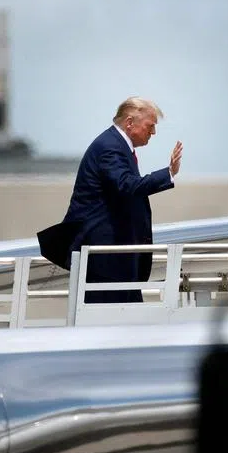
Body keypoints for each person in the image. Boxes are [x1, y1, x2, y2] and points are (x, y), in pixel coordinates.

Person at [50, 96, 183, 304]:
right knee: (112, 326)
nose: (153, 132)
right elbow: (127, 186)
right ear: (130, 123)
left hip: (116, 257)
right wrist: (168, 173)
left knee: (129, 325)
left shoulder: (118, 145)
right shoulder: (110, 146)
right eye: (150, 126)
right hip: (105, 259)